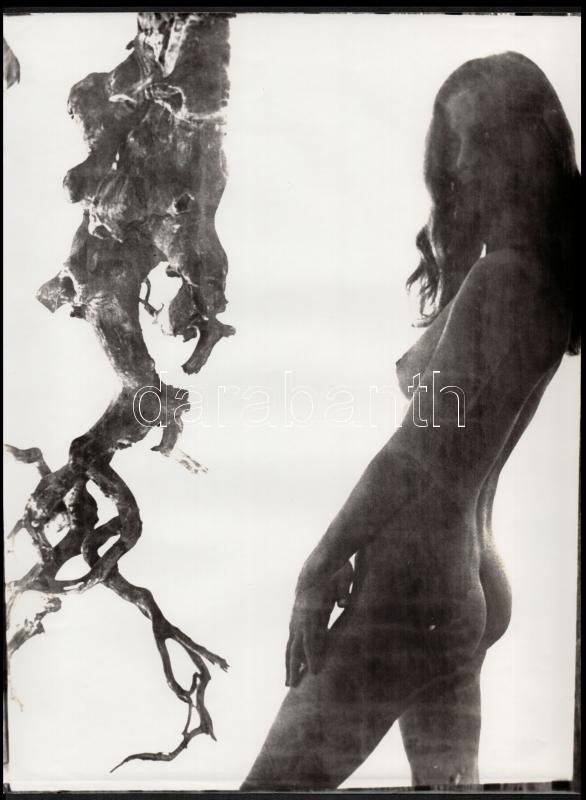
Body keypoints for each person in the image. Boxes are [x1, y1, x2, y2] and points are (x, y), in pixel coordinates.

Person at [240, 51, 580, 790]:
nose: (460, 162)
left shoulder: (503, 279)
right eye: (453, 142)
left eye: (479, 139)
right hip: (463, 575)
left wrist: (316, 568)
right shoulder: (536, 279)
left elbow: (414, 453)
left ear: (529, 143)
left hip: (413, 584)